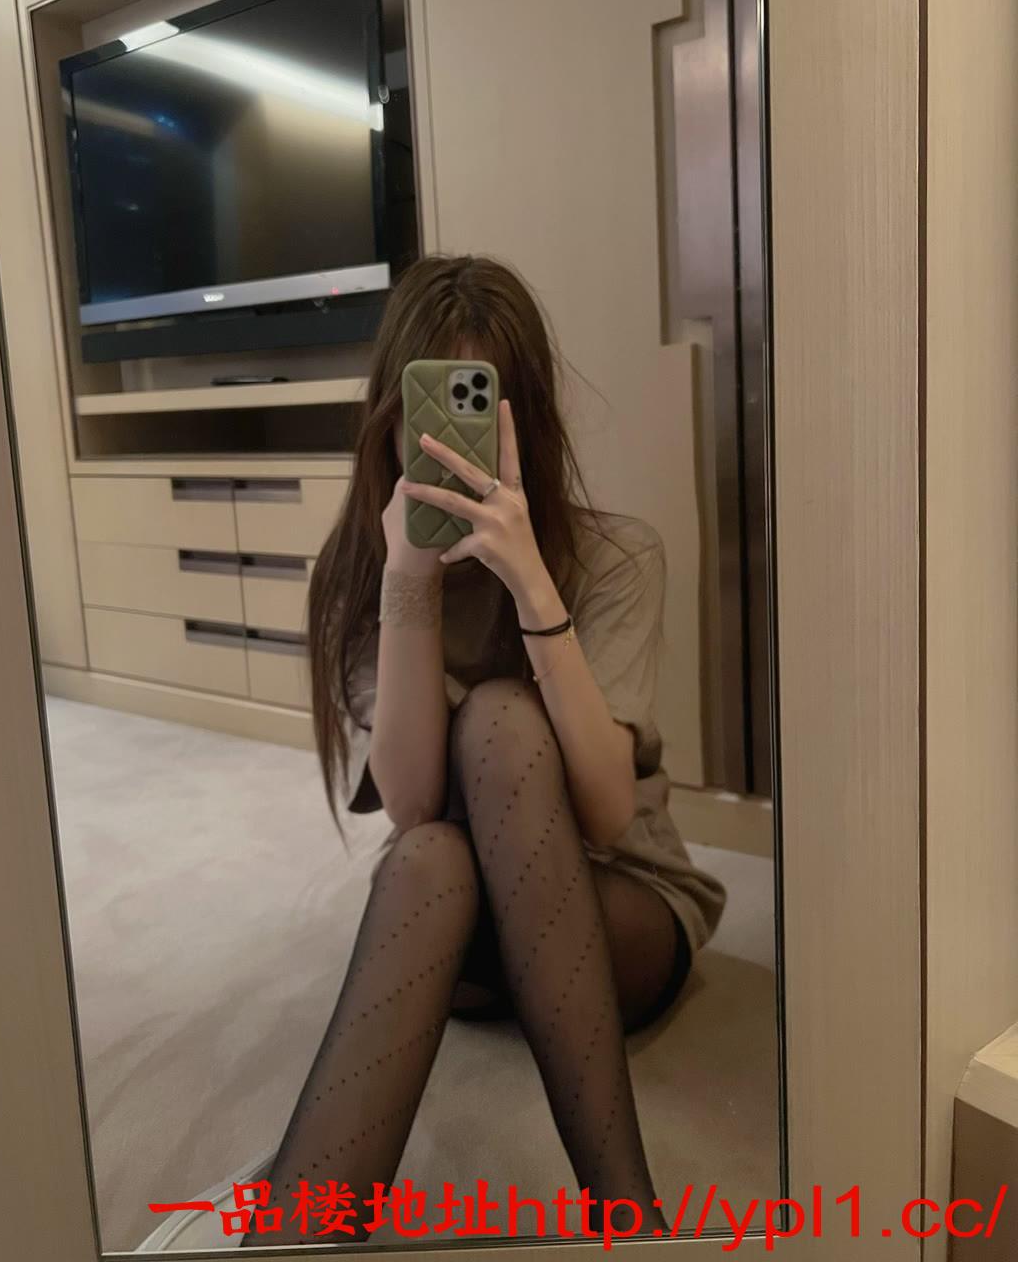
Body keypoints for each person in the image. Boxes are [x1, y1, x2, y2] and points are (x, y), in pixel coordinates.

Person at [251, 254, 726, 1246]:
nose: (451, 445)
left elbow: (609, 815)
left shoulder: (617, 556)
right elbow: (414, 804)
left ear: (528, 422)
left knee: (505, 718)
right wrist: (409, 580)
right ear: (391, 420)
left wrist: (533, 590)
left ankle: (625, 1217)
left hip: (618, 904)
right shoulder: (361, 581)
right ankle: (294, 1241)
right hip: (463, 922)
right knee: (427, 854)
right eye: (432, 415)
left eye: (474, 410)